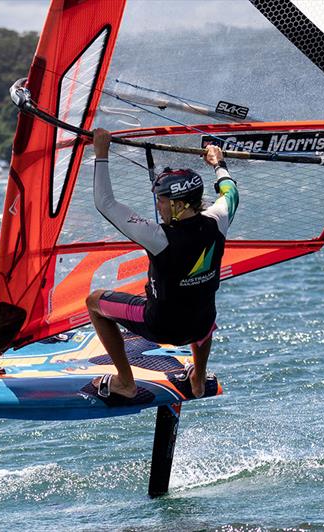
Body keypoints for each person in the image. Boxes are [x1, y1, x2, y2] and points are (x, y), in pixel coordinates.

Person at [86, 128, 239, 400]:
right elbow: (231, 192)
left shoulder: (158, 237)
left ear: (179, 204)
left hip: (160, 326)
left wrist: (101, 153)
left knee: (95, 302)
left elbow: (105, 203)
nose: (159, 207)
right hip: (201, 325)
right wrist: (218, 164)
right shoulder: (219, 220)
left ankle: (125, 382)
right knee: (202, 308)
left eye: (162, 200)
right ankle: (198, 380)